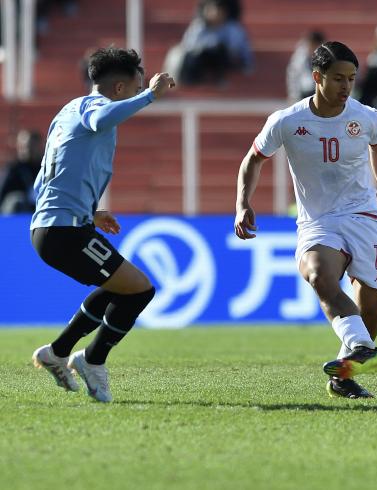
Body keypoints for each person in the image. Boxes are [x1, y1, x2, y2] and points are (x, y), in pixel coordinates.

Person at [234, 41, 377, 399]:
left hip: (363, 216)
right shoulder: (287, 121)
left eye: (351, 79)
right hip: (318, 221)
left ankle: (344, 376)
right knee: (319, 274)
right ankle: (359, 345)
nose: (346, 87)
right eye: (338, 79)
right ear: (317, 77)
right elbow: (253, 159)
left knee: (371, 308)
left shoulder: (367, 116)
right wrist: (242, 202)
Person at [29, 47, 175, 403]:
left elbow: (40, 184)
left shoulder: (65, 113)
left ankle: (58, 352)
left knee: (121, 286)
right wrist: (151, 95)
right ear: (121, 88)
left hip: (55, 227)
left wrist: (89, 213)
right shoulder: (93, 110)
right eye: (135, 86)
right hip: (65, 232)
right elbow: (102, 119)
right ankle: (91, 360)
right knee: (140, 290)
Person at [163, 0, 253, 86]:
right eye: (211, 10)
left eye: (218, 10)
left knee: (220, 50)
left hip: (223, 60)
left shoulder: (232, 28)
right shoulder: (199, 26)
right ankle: (192, 81)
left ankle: (219, 79)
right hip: (201, 59)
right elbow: (188, 45)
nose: (215, 13)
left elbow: (236, 49)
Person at [0, 129, 44, 213]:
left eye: (31, 146)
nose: (26, 150)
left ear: (40, 146)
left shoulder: (46, 169)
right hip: (18, 215)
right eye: (23, 146)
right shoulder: (13, 170)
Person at [287, 30, 326, 102]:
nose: (313, 48)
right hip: (304, 92)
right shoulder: (300, 57)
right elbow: (293, 75)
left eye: (316, 45)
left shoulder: (327, 55)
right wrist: (294, 96)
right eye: (312, 45)